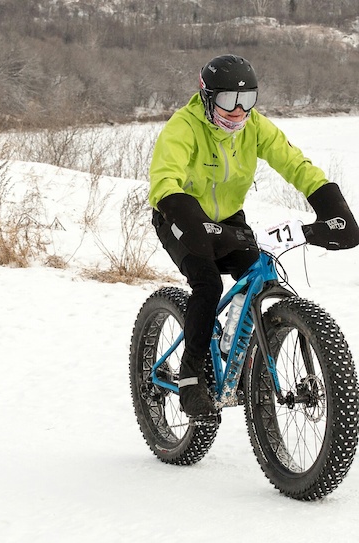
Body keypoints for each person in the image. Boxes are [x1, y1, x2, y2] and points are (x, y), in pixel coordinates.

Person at [149, 54, 359, 418]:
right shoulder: (183, 127)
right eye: (229, 101)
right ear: (207, 97)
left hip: (228, 220)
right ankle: (191, 376)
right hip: (178, 215)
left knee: (258, 276)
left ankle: (239, 355)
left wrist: (331, 205)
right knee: (208, 282)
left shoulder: (255, 127)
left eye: (247, 101)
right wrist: (191, 221)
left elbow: (295, 164)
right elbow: (165, 180)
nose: (238, 112)